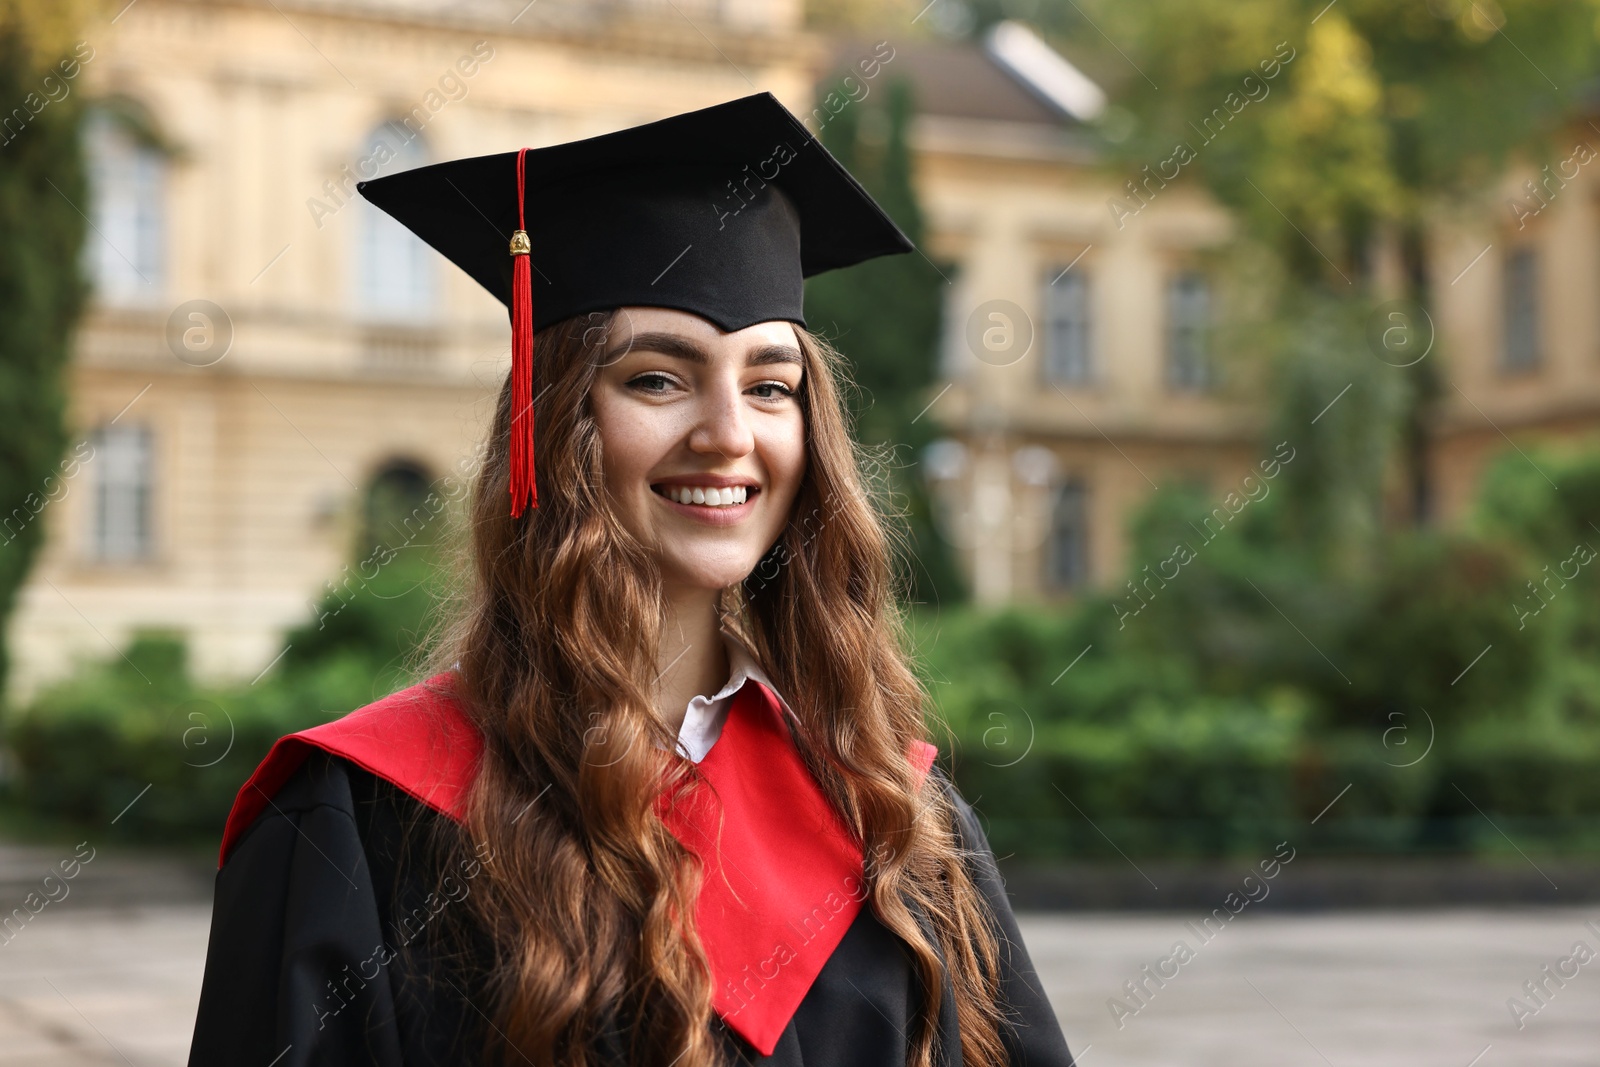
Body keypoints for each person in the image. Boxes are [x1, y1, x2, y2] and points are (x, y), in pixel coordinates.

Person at [187, 93, 1075, 1067]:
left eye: (769, 385)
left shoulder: (894, 813)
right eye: (657, 377)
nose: (728, 433)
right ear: (554, 419)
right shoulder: (360, 822)